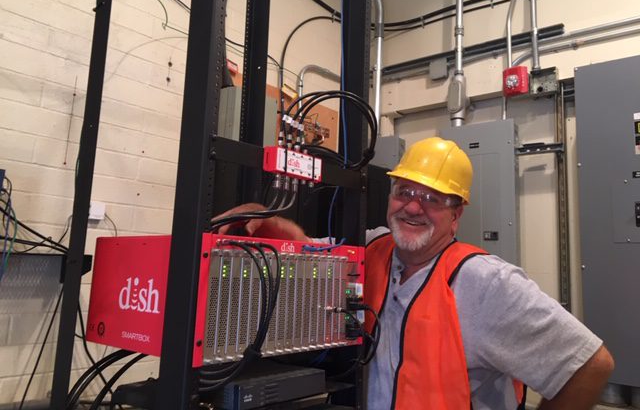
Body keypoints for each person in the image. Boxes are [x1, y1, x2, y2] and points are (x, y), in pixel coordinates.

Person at [216, 137, 614, 410]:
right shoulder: (375, 248)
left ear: (456, 215)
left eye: (433, 199)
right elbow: (308, 251)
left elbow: (590, 364)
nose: (413, 207)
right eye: (404, 191)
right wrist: (261, 220)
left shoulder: (485, 283)